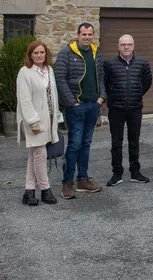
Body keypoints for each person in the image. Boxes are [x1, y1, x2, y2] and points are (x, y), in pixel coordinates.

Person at [55, 22, 106, 199]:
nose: (87, 37)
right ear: (78, 35)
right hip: (76, 106)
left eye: (90, 34)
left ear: (93, 35)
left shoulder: (96, 52)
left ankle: (82, 179)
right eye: (84, 34)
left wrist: (101, 97)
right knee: (75, 144)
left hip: (93, 105)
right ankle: (67, 181)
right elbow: (60, 79)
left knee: (86, 144)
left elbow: (101, 76)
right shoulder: (66, 53)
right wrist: (71, 102)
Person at [103, 34, 153, 186]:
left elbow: (147, 81)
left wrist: (136, 94)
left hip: (135, 108)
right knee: (116, 142)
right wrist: (113, 97)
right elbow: (105, 83)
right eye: (123, 44)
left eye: (129, 44)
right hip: (116, 109)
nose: (126, 47)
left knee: (134, 141)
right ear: (118, 46)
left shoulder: (142, 62)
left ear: (133, 46)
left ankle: (135, 172)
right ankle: (117, 173)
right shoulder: (109, 64)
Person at [16, 41, 59, 205]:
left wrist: (56, 116)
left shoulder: (49, 70)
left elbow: (53, 95)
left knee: (34, 155)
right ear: (30, 55)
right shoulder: (25, 72)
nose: (39, 55)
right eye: (36, 53)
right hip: (34, 121)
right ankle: (45, 190)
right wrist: (32, 121)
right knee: (40, 154)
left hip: (49, 119)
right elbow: (24, 99)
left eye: (42, 52)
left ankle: (29, 191)